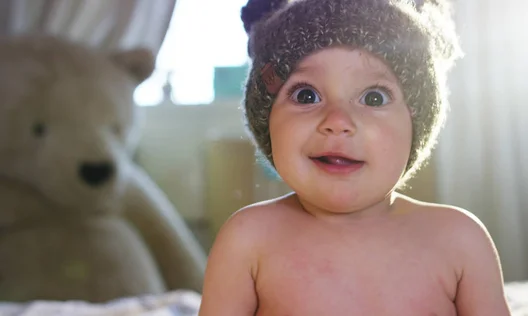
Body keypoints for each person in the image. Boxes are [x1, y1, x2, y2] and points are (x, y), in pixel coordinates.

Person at [198, 0, 512, 315]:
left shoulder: (459, 239)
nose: (338, 121)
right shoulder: (248, 239)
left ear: (415, 122)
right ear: (266, 121)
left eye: (374, 97)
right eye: (306, 95)